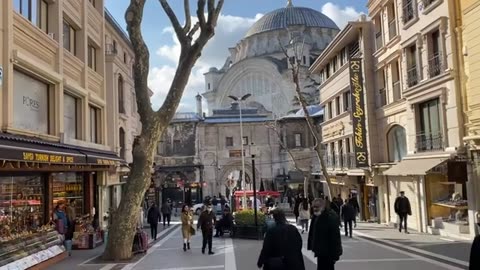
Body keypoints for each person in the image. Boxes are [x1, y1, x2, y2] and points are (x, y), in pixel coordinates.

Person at [308, 198, 342, 270]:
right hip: (320, 251)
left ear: (322, 207)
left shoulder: (329, 217)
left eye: (317, 207)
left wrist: (336, 254)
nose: (314, 209)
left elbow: (335, 237)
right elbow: (312, 232)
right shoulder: (316, 217)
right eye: (313, 207)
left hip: (328, 252)